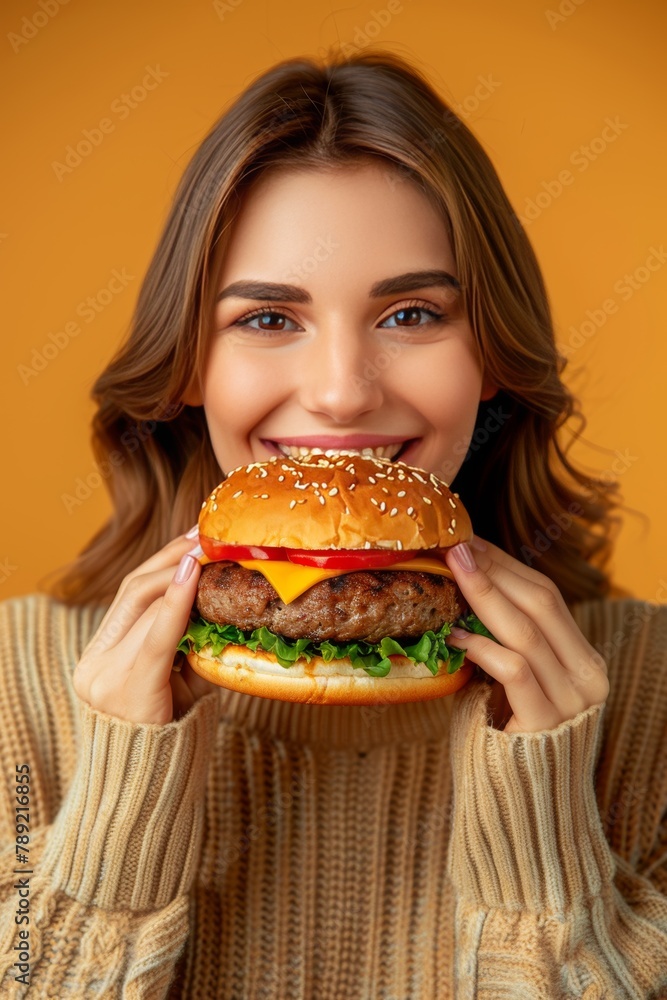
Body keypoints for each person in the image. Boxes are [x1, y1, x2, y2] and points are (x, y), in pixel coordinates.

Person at [1, 50, 665, 999]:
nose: (341, 392)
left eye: (410, 312)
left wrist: (547, 860)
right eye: (268, 320)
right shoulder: (15, 683)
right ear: (188, 365)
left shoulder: (647, 692)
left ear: (492, 360)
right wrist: (114, 817)